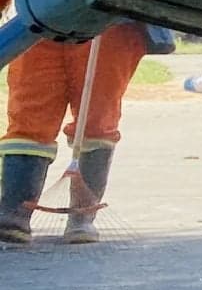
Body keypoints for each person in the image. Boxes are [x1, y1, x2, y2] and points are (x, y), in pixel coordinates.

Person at [0, 21, 163, 243]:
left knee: (96, 120)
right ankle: (14, 215)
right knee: (28, 120)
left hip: (109, 24)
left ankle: (82, 217)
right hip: (37, 17)